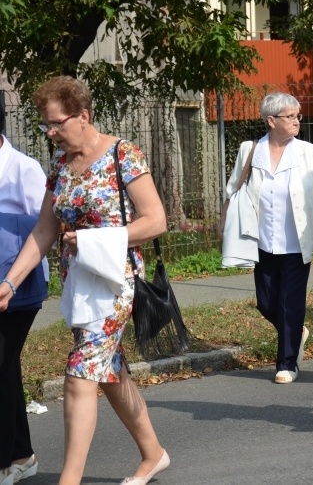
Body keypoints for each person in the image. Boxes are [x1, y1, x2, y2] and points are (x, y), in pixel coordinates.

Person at [0, 76, 169, 484]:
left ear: (83, 116)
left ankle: (69, 480)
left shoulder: (123, 154)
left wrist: (98, 237)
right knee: (107, 372)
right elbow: (44, 230)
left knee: (80, 373)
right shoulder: (59, 164)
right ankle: (154, 453)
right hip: (80, 282)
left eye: (56, 123)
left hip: (117, 279)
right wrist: (9, 283)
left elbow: (156, 220)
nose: (50, 132)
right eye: (45, 125)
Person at [221, 92, 313, 384]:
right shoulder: (249, 150)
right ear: (271, 120)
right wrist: (223, 229)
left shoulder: (309, 153)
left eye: (298, 115)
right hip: (261, 242)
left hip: (297, 242)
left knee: (290, 302)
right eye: (290, 116)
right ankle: (296, 331)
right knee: (266, 302)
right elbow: (232, 191)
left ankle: (287, 362)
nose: (297, 120)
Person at [0, 130, 47, 485]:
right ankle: (20, 454)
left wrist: (12, 281)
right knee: (5, 366)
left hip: (18, 290)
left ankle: (6, 459)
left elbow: (44, 229)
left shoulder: (23, 169)